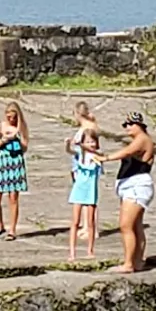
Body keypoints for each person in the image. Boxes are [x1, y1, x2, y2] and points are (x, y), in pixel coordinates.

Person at [101, 112, 156, 273]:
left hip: (137, 186)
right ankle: (137, 261)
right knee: (136, 225)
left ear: (139, 125)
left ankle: (128, 264)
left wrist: (106, 158)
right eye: (125, 125)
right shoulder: (138, 140)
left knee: (125, 225)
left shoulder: (142, 140)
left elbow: (127, 152)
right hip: (131, 185)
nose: (126, 128)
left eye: (130, 124)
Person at [0, 101, 29, 240]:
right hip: (2, 163)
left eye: (14, 117)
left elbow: (25, 147)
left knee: (13, 198)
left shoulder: (21, 128)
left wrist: (17, 136)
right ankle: (0, 224)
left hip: (15, 163)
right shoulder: (0, 126)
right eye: (9, 117)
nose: (11, 120)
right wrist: (4, 140)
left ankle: (12, 229)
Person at [65, 101, 101, 238]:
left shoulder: (86, 128)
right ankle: (87, 226)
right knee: (86, 196)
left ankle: (91, 228)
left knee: (88, 197)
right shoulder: (91, 125)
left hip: (86, 164)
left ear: (77, 113)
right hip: (82, 162)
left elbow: (87, 146)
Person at [67, 129, 103, 260]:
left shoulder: (97, 155)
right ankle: (72, 252)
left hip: (91, 190)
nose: (91, 144)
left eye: (93, 141)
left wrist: (84, 145)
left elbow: (99, 155)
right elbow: (70, 151)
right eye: (88, 141)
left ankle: (90, 250)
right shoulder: (80, 154)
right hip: (79, 189)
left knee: (91, 222)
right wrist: (69, 144)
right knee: (75, 222)